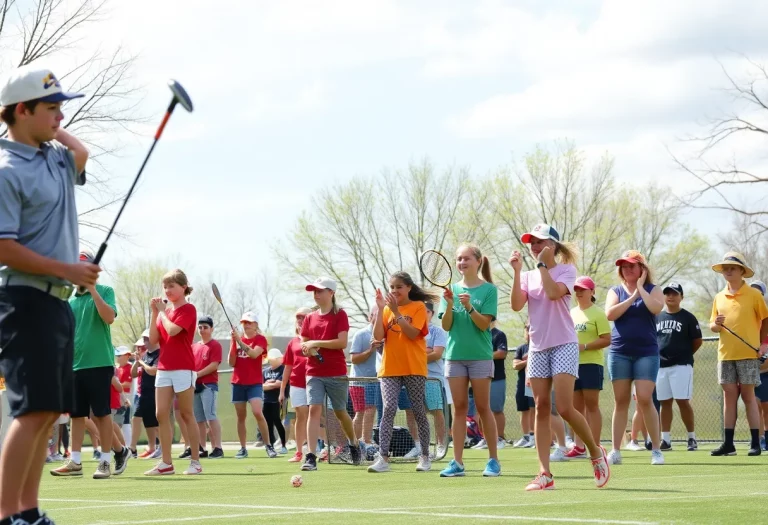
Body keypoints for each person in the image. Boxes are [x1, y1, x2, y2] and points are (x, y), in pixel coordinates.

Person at [0, 64, 99, 525]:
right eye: (51, 108)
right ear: (21, 110)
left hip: (57, 301)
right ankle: (7, 515)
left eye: (62, 108)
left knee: (48, 412)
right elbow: (4, 248)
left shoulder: (54, 158)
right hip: (23, 300)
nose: (61, 116)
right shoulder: (5, 170)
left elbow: (81, 151)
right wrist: (69, 268)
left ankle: (29, 510)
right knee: (31, 410)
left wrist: (56, 127)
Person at [510, 224, 609, 490]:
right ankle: (545, 473)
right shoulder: (528, 275)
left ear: (552, 246)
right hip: (538, 347)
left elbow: (554, 293)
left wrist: (542, 268)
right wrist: (518, 272)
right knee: (541, 407)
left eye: (539, 242)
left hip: (565, 343)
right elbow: (517, 305)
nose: (534, 247)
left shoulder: (567, 270)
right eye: (532, 243)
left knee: (564, 408)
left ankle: (595, 453)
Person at [50, 248, 129, 480]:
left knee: (102, 415)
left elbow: (109, 317)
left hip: (99, 363)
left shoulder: (105, 291)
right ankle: (75, 461)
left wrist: (93, 290)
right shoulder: (68, 299)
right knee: (77, 415)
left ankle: (105, 460)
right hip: (74, 365)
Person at [438, 244, 501, 478]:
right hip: (454, 357)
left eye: (466, 259)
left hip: (480, 357)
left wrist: (469, 306)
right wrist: (452, 305)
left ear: (477, 261)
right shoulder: (450, 290)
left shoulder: (489, 290)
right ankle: (457, 462)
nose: (462, 263)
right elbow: (446, 326)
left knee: (484, 408)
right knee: (459, 410)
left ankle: (493, 460)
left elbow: (484, 324)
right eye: (458, 259)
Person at [368, 272, 435, 473]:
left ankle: (424, 456)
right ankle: (383, 458)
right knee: (388, 408)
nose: (395, 291)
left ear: (408, 288)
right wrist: (382, 309)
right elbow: (378, 336)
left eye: (399, 287)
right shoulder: (387, 309)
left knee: (417, 411)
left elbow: (413, 333)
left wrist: (396, 312)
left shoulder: (418, 307)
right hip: (390, 368)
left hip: (413, 366)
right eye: (392, 287)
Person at [605, 250, 665, 466]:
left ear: (642, 269)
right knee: (620, 401)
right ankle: (615, 450)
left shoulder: (653, 289)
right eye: (624, 266)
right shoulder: (616, 291)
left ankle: (656, 449)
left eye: (632, 265)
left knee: (644, 398)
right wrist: (632, 297)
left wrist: (640, 288)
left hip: (646, 353)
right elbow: (610, 314)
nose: (628, 269)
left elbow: (656, 307)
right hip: (619, 352)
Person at [709, 252, 768, 456]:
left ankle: (755, 443)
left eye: (732, 267)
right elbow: (712, 326)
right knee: (729, 397)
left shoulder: (754, 295)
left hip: (748, 354)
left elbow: (766, 319)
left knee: (749, 396)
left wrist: (764, 345)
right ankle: (729, 444)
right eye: (725, 268)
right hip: (725, 355)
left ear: (742, 271)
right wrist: (715, 325)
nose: (728, 270)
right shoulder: (719, 297)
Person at [145, 269, 202, 476]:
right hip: (164, 368)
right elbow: (152, 340)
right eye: (165, 286)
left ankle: (195, 461)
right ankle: (166, 463)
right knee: (161, 414)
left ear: (183, 287)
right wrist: (155, 313)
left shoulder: (189, 309)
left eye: (172, 286)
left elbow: (172, 331)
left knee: (186, 414)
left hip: (184, 368)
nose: (167, 290)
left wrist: (161, 312)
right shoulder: (163, 313)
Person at [300, 277, 361, 471]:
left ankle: (354, 443)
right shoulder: (309, 317)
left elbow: (342, 342)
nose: (316, 294)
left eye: (320, 291)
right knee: (314, 409)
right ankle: (310, 455)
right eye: (314, 291)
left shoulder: (340, 315)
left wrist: (315, 344)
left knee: (340, 412)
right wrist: (308, 347)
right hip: (313, 371)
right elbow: (304, 341)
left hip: (336, 372)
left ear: (331, 293)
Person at [566, 276, 611, 459]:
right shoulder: (570, 313)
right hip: (572, 365)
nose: (579, 292)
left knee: (592, 404)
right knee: (575, 407)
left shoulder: (598, 313)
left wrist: (584, 346)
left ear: (592, 292)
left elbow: (607, 339)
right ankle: (579, 446)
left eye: (583, 289)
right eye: (576, 289)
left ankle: (596, 444)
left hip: (592, 363)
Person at [656, 282, 702, 451]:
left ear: (681, 297)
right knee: (664, 402)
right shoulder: (657, 317)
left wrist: (685, 354)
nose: (671, 296)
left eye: (675, 293)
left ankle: (691, 438)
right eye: (668, 293)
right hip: (661, 366)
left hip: (681, 365)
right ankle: (666, 440)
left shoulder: (688, 317)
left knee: (682, 401)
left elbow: (697, 341)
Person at [229, 311, 276, 460]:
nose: (246, 325)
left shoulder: (260, 339)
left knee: (257, 412)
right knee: (240, 416)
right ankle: (243, 448)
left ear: (255, 325)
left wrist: (239, 341)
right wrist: (233, 342)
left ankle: (268, 445)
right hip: (237, 382)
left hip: (254, 383)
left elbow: (254, 354)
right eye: (244, 323)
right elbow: (231, 362)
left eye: (249, 323)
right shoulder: (237, 339)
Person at [280, 307, 313, 463]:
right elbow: (287, 367)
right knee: (301, 415)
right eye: (298, 317)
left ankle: (322, 448)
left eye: (303, 317)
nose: (300, 320)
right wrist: (282, 391)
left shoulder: (317, 338)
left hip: (315, 381)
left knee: (317, 416)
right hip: (296, 384)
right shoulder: (292, 342)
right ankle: (300, 451)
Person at [192, 315, 223, 459]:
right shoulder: (194, 346)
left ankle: (218, 447)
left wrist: (197, 374)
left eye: (205, 327)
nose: (202, 330)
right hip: (195, 386)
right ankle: (202, 448)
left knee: (210, 416)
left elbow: (214, 365)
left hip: (208, 385)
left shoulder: (215, 345)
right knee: (199, 419)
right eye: (200, 327)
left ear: (211, 329)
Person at [349, 306, 378, 445]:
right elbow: (354, 359)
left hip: (375, 380)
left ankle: (366, 441)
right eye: (375, 314)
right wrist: (371, 350)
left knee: (371, 411)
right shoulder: (361, 334)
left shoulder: (383, 334)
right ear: (369, 317)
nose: (378, 318)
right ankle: (356, 443)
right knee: (361, 412)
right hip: (359, 381)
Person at [424, 302, 449, 458]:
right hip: (414, 377)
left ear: (432, 313)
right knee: (414, 413)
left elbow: (437, 354)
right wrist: (426, 351)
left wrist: (418, 355)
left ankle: (440, 444)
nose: (423, 314)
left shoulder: (437, 332)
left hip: (433, 378)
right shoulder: (412, 331)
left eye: (426, 311)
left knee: (437, 412)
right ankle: (421, 446)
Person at [132, 332, 161, 459]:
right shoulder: (145, 355)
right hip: (144, 393)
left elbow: (153, 371)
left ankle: (163, 447)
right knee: (148, 422)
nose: (145, 343)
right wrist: (137, 361)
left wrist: (142, 363)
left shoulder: (159, 353)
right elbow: (133, 374)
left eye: (146, 339)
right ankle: (152, 448)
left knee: (157, 423)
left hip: (156, 392)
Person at [750, 281, 768, 451]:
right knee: (754, 404)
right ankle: (759, 438)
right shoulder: (746, 319)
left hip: (765, 372)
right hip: (751, 371)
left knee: (766, 407)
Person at [511, 324, 535, 448]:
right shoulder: (521, 348)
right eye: (526, 332)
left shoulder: (539, 347)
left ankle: (533, 436)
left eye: (529, 331)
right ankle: (526, 436)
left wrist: (523, 362)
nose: (528, 334)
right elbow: (515, 365)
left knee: (533, 409)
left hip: (534, 382)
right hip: (522, 382)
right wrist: (528, 361)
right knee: (523, 409)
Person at [263, 349, 288, 454]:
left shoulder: (283, 369)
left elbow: (280, 384)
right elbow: (261, 386)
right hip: (266, 400)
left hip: (278, 400)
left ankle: (283, 445)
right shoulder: (265, 371)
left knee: (277, 421)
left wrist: (270, 384)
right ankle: (271, 445)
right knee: (268, 423)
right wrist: (270, 384)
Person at [115, 346, 134, 450]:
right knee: (120, 423)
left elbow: (128, 384)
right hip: (119, 397)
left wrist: (115, 385)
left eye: (120, 355)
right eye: (117, 356)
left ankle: (128, 447)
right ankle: (123, 446)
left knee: (125, 423)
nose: (117, 358)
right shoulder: (118, 368)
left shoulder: (129, 367)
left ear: (127, 356)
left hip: (126, 397)